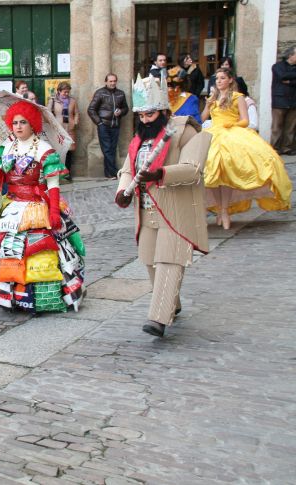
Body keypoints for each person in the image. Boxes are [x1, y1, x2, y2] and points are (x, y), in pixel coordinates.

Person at [115, 73, 212, 338]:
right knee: (149, 261)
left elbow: (193, 169)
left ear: (162, 111)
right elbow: (126, 170)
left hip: (175, 209)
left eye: (150, 114)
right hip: (145, 211)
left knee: (169, 260)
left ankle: (158, 318)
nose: (145, 120)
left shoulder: (185, 130)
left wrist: (161, 174)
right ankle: (172, 303)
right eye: (141, 116)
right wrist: (123, 191)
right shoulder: (137, 140)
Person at [0, 101, 86, 314]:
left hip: (36, 207)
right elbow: (1, 178)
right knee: (7, 249)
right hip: (12, 206)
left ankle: (44, 297)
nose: (18, 126)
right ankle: (10, 294)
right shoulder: (6, 146)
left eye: (23, 122)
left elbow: (53, 185)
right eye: (14, 122)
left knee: (42, 248)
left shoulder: (43, 149)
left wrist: (53, 211)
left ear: (33, 124)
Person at [200, 68, 292, 229]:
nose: (219, 81)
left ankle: (225, 210)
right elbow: (202, 118)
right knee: (212, 173)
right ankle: (221, 209)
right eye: (217, 79)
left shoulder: (238, 97)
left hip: (231, 134)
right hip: (214, 134)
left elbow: (245, 120)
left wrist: (232, 124)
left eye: (222, 78)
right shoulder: (213, 98)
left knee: (227, 172)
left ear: (230, 80)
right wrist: (207, 106)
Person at [87, 73, 130, 178]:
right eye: (110, 81)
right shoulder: (100, 93)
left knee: (112, 149)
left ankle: (108, 173)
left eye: (114, 81)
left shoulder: (121, 93)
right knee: (106, 149)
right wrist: (99, 123)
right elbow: (91, 109)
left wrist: (121, 111)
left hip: (115, 125)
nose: (113, 83)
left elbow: (126, 108)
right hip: (103, 125)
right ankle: (114, 172)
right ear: (106, 82)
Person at [47, 81, 80, 180]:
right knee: (58, 151)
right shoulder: (52, 101)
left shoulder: (72, 101)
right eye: (64, 92)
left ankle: (67, 173)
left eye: (68, 92)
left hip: (69, 129)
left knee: (69, 152)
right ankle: (58, 173)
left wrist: (75, 122)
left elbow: (77, 113)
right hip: (57, 130)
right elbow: (48, 114)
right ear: (59, 91)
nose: (66, 94)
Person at [270, 45, 296, 155]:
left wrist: (290, 82)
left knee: (291, 128)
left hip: (294, 100)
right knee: (277, 127)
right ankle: (274, 148)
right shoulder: (277, 66)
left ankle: (287, 148)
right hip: (279, 100)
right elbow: (282, 76)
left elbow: (286, 78)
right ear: (290, 55)